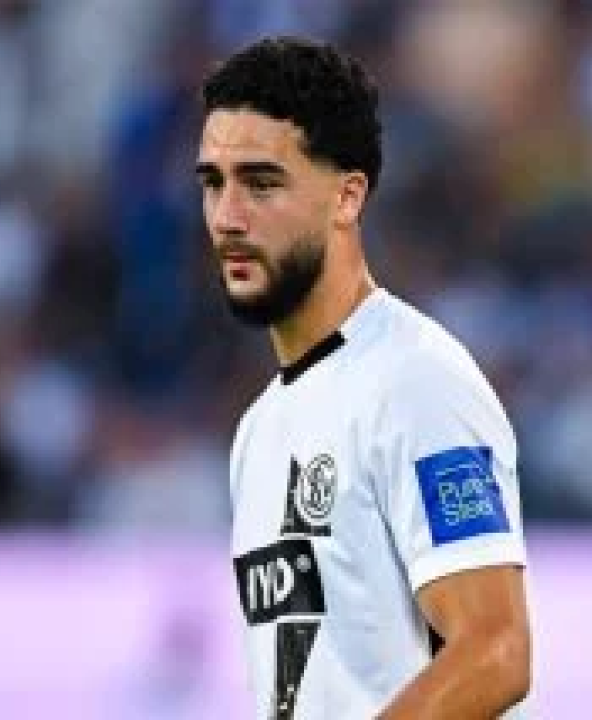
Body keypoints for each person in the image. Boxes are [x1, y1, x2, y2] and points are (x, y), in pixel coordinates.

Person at [195, 36, 532, 719]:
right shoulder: (260, 429)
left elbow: (495, 650)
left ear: (347, 198)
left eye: (261, 183)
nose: (228, 217)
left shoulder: (416, 382)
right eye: (213, 183)